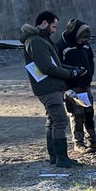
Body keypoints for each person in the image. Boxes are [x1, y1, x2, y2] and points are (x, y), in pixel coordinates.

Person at [22, 10, 84, 168]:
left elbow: (54, 64)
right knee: (59, 120)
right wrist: (70, 74)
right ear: (44, 23)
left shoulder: (40, 40)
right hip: (49, 88)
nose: (55, 30)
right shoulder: (36, 41)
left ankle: (55, 157)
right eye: (54, 26)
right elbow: (47, 67)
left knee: (52, 120)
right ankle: (61, 158)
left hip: (50, 86)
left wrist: (73, 69)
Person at [59, 19, 96, 151]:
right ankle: (78, 143)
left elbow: (91, 61)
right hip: (71, 87)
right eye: (81, 38)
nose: (83, 41)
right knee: (77, 114)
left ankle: (93, 140)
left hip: (85, 84)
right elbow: (58, 67)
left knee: (89, 112)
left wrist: (89, 75)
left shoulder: (85, 45)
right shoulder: (61, 46)